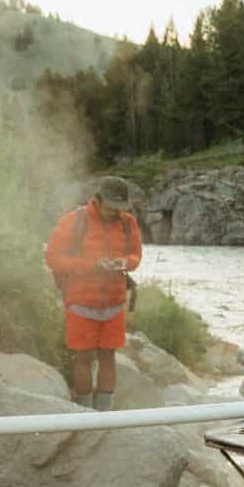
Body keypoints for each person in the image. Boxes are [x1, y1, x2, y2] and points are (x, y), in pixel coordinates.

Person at [45, 176, 143, 410]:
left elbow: (136, 256)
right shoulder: (74, 220)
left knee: (109, 356)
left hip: (115, 302)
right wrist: (93, 265)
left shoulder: (128, 223)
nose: (116, 212)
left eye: (121, 207)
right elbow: (53, 259)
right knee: (84, 357)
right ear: (98, 200)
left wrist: (124, 263)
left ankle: (104, 414)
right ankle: (84, 412)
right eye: (112, 206)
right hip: (79, 301)